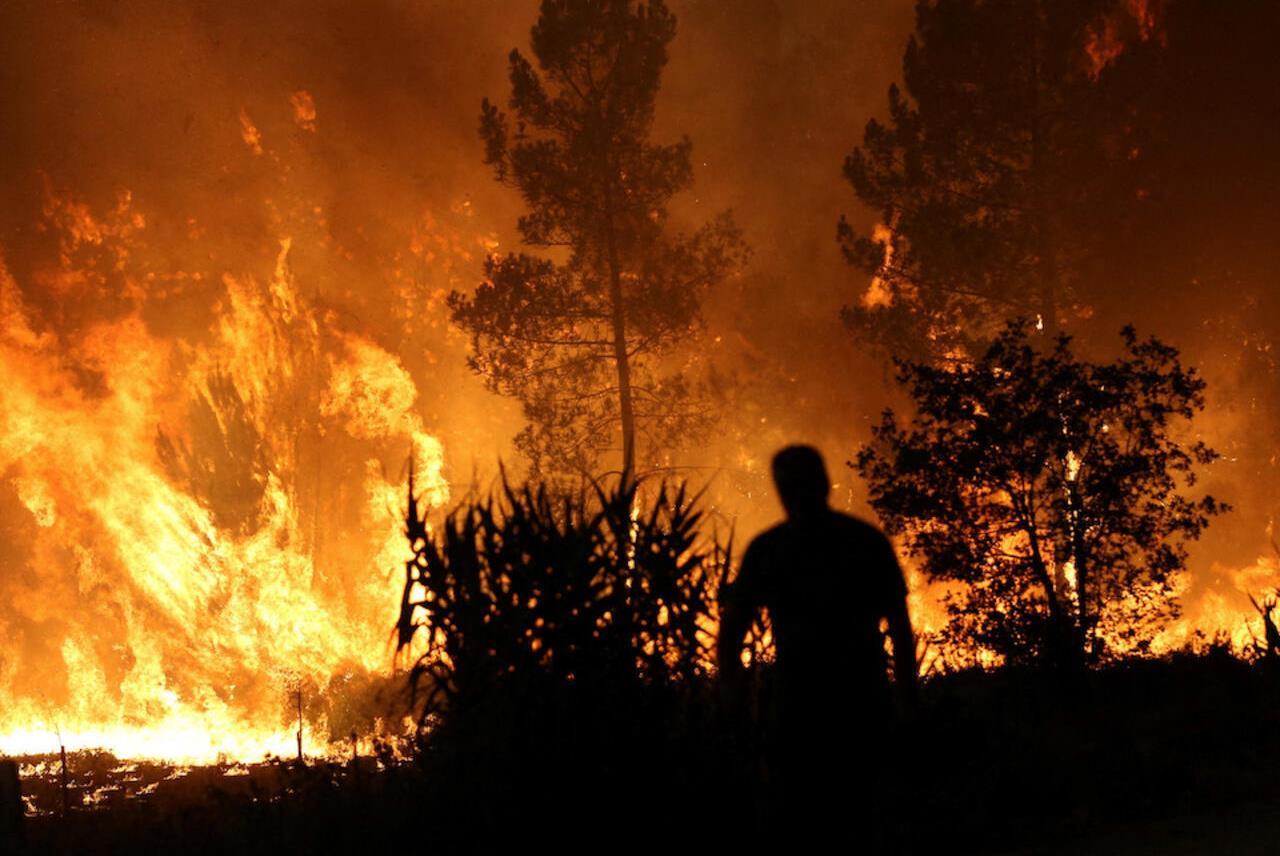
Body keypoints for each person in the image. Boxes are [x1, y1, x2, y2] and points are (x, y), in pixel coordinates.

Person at [718, 444, 917, 843]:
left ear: (781, 491)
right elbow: (900, 628)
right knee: (860, 816)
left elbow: (730, 638)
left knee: (801, 820)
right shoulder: (865, 541)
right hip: (861, 701)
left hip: (798, 707)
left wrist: (735, 705)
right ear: (825, 483)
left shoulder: (769, 549)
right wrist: (907, 701)